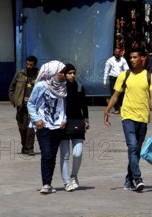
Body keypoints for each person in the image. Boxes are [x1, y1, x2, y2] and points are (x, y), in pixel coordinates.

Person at [104, 48, 152, 192]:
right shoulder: (124, 75)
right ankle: (138, 179)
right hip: (127, 117)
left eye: (135, 57)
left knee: (136, 151)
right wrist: (107, 111)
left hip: (143, 118)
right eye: (130, 57)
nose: (132, 60)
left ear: (142, 58)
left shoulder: (150, 77)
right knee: (132, 147)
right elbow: (115, 95)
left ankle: (128, 180)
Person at [27, 61, 68, 194]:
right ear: (52, 73)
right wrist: (37, 119)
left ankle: (49, 183)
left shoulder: (63, 86)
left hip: (57, 126)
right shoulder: (40, 86)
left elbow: (64, 106)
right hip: (42, 125)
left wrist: (64, 119)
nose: (63, 75)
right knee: (46, 154)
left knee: (53, 156)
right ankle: (45, 184)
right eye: (60, 72)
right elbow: (31, 104)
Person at [59, 64, 90, 191]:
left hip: (78, 122)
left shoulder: (79, 86)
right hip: (63, 123)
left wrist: (86, 119)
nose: (72, 75)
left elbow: (84, 104)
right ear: (64, 74)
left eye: (74, 73)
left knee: (78, 153)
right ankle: (67, 182)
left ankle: (74, 176)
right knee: (65, 155)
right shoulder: (60, 88)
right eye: (69, 73)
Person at [8, 55, 39, 156]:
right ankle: (24, 146)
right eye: (27, 64)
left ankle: (29, 148)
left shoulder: (39, 75)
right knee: (22, 127)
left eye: (31, 65)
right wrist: (14, 101)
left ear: (34, 64)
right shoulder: (19, 74)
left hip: (33, 106)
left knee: (31, 128)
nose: (29, 66)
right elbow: (11, 89)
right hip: (21, 105)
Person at [103, 47, 129, 114]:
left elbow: (127, 69)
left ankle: (123, 108)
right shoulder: (110, 60)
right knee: (114, 94)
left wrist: (127, 78)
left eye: (118, 53)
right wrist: (104, 81)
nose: (117, 54)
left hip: (121, 79)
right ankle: (116, 109)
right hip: (113, 79)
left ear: (120, 53)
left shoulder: (123, 60)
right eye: (116, 53)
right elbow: (106, 71)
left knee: (122, 93)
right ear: (114, 53)